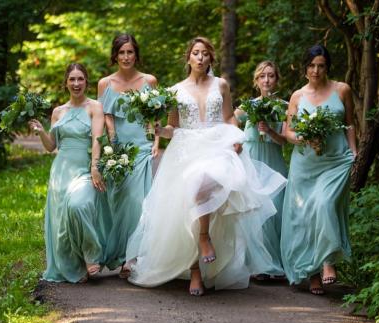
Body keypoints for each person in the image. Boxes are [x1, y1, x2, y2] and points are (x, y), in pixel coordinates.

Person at [125, 37, 287, 296]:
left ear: (211, 59)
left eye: (205, 54)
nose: (200, 58)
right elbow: (173, 127)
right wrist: (158, 130)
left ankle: (204, 238)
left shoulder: (221, 85)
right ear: (188, 58)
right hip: (186, 149)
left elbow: (229, 117)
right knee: (184, 204)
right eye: (196, 53)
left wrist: (237, 138)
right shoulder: (175, 89)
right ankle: (195, 272)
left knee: (203, 183)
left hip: (217, 145)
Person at [281, 45, 357, 295]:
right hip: (305, 164)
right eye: (312, 65)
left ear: (327, 67)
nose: (316, 70)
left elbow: (349, 125)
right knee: (304, 216)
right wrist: (304, 138)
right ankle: (311, 274)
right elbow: (288, 133)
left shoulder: (341, 89)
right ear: (305, 68)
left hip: (336, 161)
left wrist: (354, 152)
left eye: (321, 65)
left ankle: (328, 262)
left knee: (325, 205)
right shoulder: (297, 96)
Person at [29, 63, 111, 283]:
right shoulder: (58, 112)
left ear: (86, 81)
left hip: (84, 168)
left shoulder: (94, 107)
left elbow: (97, 139)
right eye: (72, 79)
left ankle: (92, 253)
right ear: (66, 82)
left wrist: (95, 167)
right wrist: (41, 132)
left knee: (78, 206)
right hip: (61, 171)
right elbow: (51, 146)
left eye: (80, 79)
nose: (76, 84)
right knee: (62, 222)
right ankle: (76, 266)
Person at [97, 34, 159, 277]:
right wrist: (111, 139)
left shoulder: (149, 81)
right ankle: (119, 253)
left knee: (137, 201)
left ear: (136, 54)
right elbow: (104, 115)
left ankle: (132, 257)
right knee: (118, 201)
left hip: (142, 147)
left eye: (130, 52)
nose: (126, 57)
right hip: (117, 149)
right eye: (121, 52)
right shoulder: (105, 83)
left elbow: (157, 114)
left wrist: (156, 142)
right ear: (115, 55)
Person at [234, 60, 288, 280]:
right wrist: (235, 141)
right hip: (252, 159)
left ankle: (275, 263)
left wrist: (270, 131)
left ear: (277, 79)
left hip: (273, 160)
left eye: (271, 76)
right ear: (256, 81)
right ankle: (258, 266)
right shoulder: (248, 106)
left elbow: (285, 140)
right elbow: (229, 121)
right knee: (254, 208)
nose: (267, 80)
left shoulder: (284, 106)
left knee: (275, 209)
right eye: (262, 76)